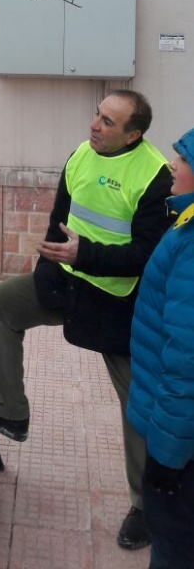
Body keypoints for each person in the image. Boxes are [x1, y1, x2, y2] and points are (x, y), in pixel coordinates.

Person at [0, 90, 172, 551]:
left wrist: (84, 255)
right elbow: (59, 221)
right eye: (97, 115)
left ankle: (146, 507)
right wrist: (49, 272)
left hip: (118, 302)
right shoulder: (81, 155)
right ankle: (10, 410)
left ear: (133, 134)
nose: (95, 125)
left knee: (138, 406)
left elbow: (148, 255)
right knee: (1, 304)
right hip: (69, 283)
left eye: (109, 122)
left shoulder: (154, 176)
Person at [127, 128, 194, 569]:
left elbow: (185, 362)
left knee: (173, 544)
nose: (173, 164)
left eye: (183, 158)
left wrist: (166, 459)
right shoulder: (186, 221)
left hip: (181, 454)